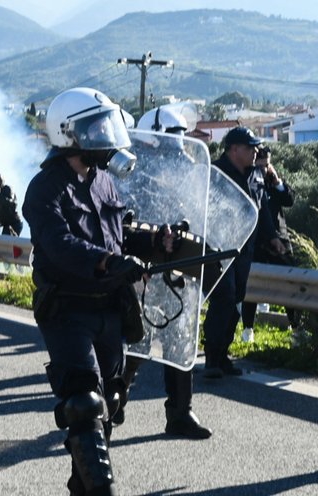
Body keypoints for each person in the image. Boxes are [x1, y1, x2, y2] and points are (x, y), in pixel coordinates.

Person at [22, 87, 143, 496]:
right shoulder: (45, 187)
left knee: (109, 400)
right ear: (69, 133)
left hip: (111, 306)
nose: (106, 135)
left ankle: (81, 485)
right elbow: (58, 244)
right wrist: (107, 262)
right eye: (97, 127)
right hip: (68, 309)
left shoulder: (105, 182)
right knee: (83, 401)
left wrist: (156, 241)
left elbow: (118, 236)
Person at [121, 105, 213, 440]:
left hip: (177, 271)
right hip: (145, 271)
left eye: (181, 139)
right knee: (137, 342)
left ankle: (180, 413)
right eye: (172, 140)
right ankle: (114, 399)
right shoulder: (133, 172)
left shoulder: (187, 171)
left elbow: (198, 212)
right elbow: (125, 220)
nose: (179, 149)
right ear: (152, 138)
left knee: (181, 341)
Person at [203, 127, 285, 379]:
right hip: (219, 248)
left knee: (236, 298)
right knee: (224, 297)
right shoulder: (214, 173)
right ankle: (212, 357)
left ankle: (223, 355)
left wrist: (273, 238)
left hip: (244, 249)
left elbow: (262, 210)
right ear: (234, 149)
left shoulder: (256, 175)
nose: (255, 152)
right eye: (250, 148)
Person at [240, 147, 299, 343]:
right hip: (257, 242)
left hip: (280, 241)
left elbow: (289, 200)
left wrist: (278, 183)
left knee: (290, 283)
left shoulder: (273, 182)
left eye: (267, 165)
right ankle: (248, 329)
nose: (264, 170)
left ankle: (296, 326)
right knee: (252, 286)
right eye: (261, 166)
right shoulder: (249, 182)